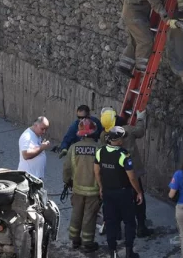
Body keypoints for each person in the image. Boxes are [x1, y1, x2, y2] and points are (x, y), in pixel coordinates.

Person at [100, 107, 152, 237]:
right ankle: (141, 226)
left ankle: (117, 231)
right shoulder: (127, 130)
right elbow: (139, 131)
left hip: (115, 175)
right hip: (131, 172)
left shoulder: (103, 135)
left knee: (116, 203)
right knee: (139, 199)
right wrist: (140, 117)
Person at [94, 126, 144, 258]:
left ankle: (113, 253)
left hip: (108, 193)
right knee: (129, 222)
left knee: (110, 222)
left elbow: (97, 172)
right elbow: (132, 177)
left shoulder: (100, 152)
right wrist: (138, 192)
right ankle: (129, 252)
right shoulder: (123, 154)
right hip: (124, 193)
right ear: (119, 140)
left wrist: (101, 187)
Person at [116, 0, 169, 75]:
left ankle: (124, 66)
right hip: (135, 15)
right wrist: (166, 18)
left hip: (128, 11)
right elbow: (156, 4)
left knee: (135, 41)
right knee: (146, 41)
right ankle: (141, 67)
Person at [63, 119, 101, 252]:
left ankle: (75, 240)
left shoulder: (73, 148)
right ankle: (88, 243)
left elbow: (67, 168)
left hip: (77, 188)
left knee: (76, 213)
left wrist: (67, 181)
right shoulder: (99, 148)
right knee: (89, 216)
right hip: (94, 190)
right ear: (94, 132)